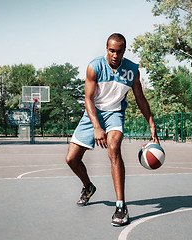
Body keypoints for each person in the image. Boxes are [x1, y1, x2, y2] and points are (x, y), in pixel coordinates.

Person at [65, 33, 159, 227]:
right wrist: (97, 127)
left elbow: (140, 98)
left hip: (115, 113)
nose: (116, 55)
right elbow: (88, 99)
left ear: (125, 50)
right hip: (93, 114)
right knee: (71, 159)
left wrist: (151, 122)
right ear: (106, 49)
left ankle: (121, 206)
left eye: (120, 51)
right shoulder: (95, 67)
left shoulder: (132, 70)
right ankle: (88, 186)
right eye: (112, 51)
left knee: (114, 148)